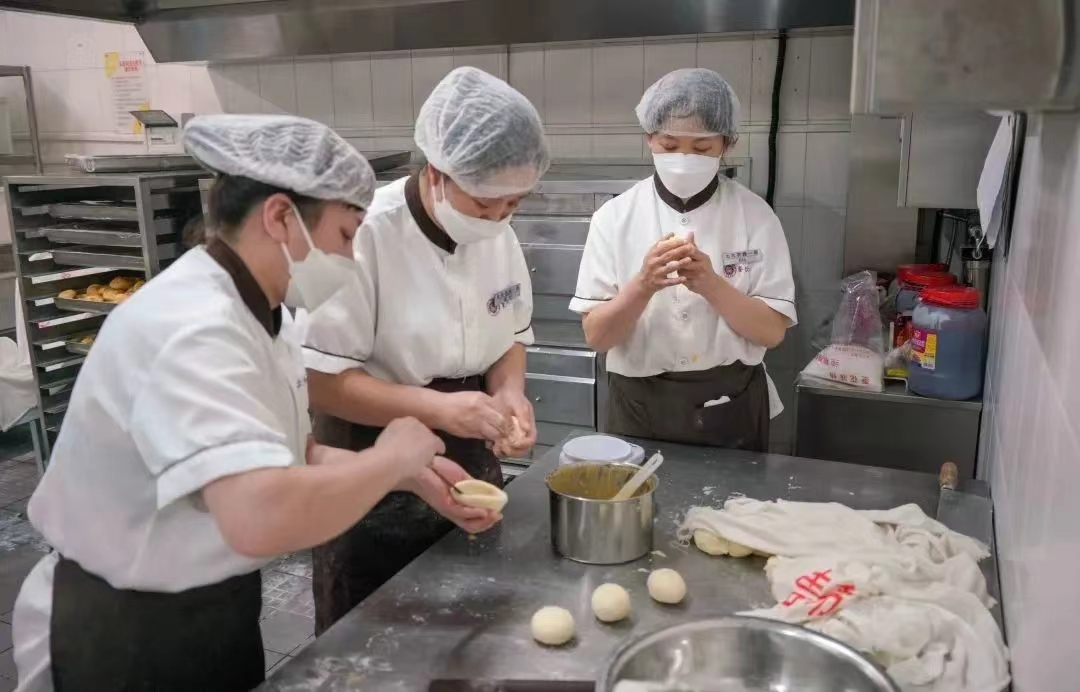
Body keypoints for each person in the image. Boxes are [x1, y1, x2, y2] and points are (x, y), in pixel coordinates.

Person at [11, 114, 493, 692]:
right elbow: (257, 517)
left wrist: (414, 476)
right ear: (281, 216)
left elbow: (293, 455)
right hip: (127, 630)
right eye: (345, 234)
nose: (352, 255)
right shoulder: (193, 328)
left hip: (212, 608)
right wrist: (387, 457)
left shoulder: (262, 315)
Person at [302, 66, 549, 633]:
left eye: (513, 205)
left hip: (469, 448)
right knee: (371, 632)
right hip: (368, 461)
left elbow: (509, 333)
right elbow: (321, 381)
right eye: (486, 204)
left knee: (468, 622)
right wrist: (436, 410)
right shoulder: (361, 234)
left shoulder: (497, 233)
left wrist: (509, 392)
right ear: (438, 173)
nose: (498, 219)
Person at [570, 68, 797, 451]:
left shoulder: (755, 216)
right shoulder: (614, 217)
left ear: (727, 144)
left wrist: (711, 284)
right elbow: (598, 336)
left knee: (736, 509)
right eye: (670, 145)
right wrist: (643, 285)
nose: (684, 158)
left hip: (731, 403)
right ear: (649, 139)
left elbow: (771, 333)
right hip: (639, 404)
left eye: (702, 148)